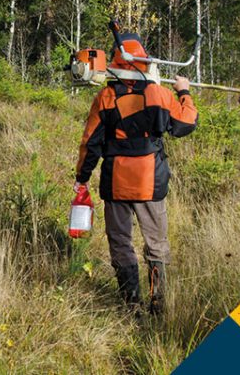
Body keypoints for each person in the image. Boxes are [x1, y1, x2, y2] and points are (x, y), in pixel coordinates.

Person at [74, 33, 198, 315]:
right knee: (156, 243)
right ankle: (158, 303)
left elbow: (90, 143)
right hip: (150, 182)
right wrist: (184, 91)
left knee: (120, 243)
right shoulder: (159, 93)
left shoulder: (105, 97)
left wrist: (82, 178)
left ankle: (131, 304)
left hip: (116, 182)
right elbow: (186, 123)